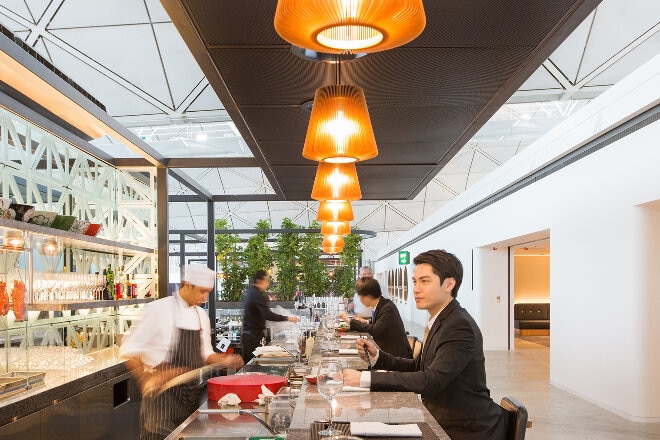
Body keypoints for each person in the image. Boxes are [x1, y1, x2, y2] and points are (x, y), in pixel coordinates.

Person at [343, 250, 508, 440]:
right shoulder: (440, 319)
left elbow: (432, 380)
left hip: (466, 430)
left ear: (449, 284)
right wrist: (379, 358)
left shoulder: (459, 325)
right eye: (414, 281)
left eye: (425, 281)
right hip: (440, 421)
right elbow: (418, 367)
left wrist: (365, 379)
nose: (416, 289)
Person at [120, 264, 244, 440]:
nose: (205, 297)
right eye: (202, 291)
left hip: (189, 402)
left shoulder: (200, 315)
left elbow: (205, 354)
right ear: (187, 284)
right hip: (162, 405)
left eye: (208, 292)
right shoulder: (158, 309)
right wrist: (147, 379)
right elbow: (129, 349)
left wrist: (224, 360)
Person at [339, 277, 412, 358]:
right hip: (386, 353)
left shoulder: (388, 308)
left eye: (360, 297)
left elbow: (375, 330)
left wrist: (349, 320)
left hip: (397, 358)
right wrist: (367, 322)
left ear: (366, 298)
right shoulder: (382, 305)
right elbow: (381, 324)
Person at [241, 270, 300, 363]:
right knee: (253, 366)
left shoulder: (250, 292)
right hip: (253, 337)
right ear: (260, 280)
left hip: (249, 335)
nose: (268, 283)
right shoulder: (257, 294)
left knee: (252, 365)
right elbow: (267, 315)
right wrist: (287, 318)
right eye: (267, 280)